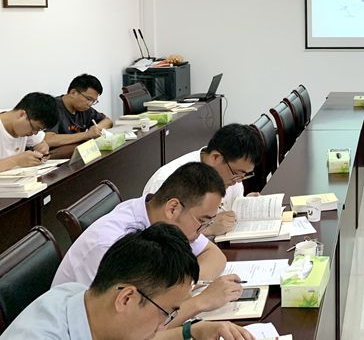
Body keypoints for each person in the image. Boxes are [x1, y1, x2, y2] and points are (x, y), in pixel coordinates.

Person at [52, 162, 243, 324]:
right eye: (202, 221)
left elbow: (214, 255)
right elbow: (133, 327)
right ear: (173, 208)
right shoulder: (113, 244)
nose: (203, 230)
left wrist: (184, 287)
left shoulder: (161, 218)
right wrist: (200, 302)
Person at [1, 223, 254, 340]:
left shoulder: (84, 297)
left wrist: (194, 331)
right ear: (126, 298)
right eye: (167, 313)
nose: (163, 326)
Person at [142, 124, 261, 237]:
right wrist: (208, 229)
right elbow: (156, 236)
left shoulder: (230, 175)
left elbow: (229, 210)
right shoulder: (167, 180)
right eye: (236, 173)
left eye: (244, 175)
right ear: (215, 157)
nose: (238, 181)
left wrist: (243, 205)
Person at [45, 73, 113, 149]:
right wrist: (87, 135)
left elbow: (108, 121)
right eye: (89, 99)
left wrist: (97, 128)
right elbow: (48, 140)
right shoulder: (52, 108)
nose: (90, 104)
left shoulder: (84, 108)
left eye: (94, 101)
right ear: (73, 93)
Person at [0, 92, 58, 173]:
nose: (34, 133)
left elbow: (41, 143)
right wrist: (15, 161)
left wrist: (42, 151)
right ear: (22, 114)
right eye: (34, 128)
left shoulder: (25, 123)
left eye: (39, 130)